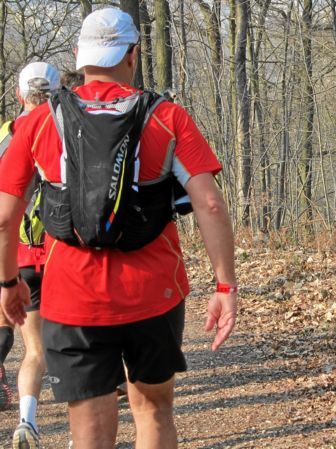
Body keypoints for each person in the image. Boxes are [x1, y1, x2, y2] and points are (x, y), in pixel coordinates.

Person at [0, 7, 237, 449]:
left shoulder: (37, 122)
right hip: (154, 292)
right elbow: (209, 203)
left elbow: (4, 218)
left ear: (79, 54)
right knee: (154, 412)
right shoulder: (167, 117)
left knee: (89, 429)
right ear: (133, 54)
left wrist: (9, 282)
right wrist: (225, 286)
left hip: (71, 297)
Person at [0, 61, 60, 448]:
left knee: (18, 331)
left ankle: (27, 419)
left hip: (13, 253)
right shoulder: (68, 131)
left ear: (19, 95)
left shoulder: (6, 135)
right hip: (58, 253)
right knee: (53, 346)